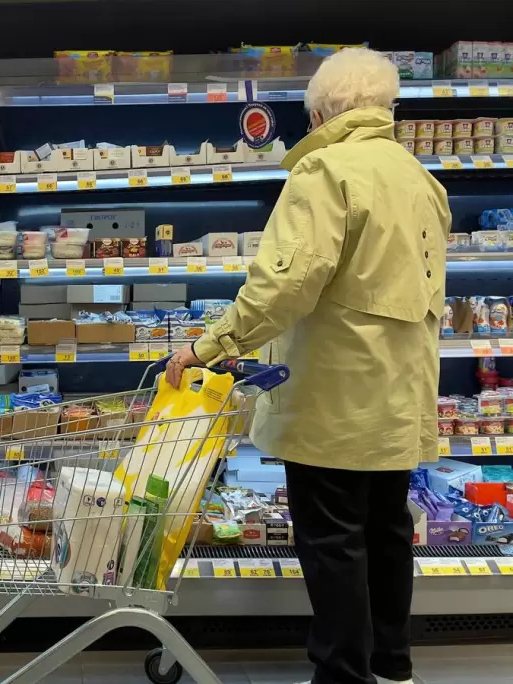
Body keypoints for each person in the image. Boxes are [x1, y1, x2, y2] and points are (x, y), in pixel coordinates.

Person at [166, 47, 449, 684]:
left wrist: (209, 346)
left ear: (320, 113)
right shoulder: (418, 176)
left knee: (333, 544)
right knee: (387, 532)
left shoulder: (325, 170)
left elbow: (283, 288)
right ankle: (392, 667)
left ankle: (342, 675)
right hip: (400, 396)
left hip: (334, 401)